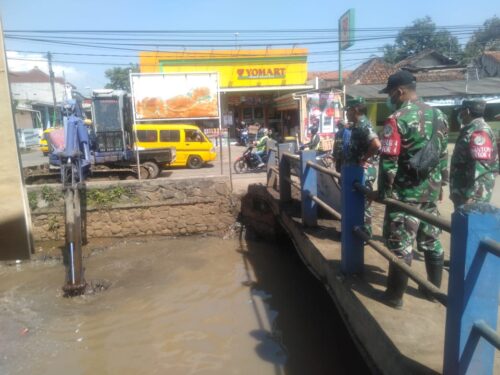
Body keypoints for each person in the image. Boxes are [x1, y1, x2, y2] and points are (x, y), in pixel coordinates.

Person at [377, 70, 449, 308]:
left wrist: (384, 194)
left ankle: (395, 297)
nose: (390, 99)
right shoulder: (440, 115)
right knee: (431, 240)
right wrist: (441, 186)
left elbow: (389, 162)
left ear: (400, 91)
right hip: (430, 192)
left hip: (404, 196)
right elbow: (442, 155)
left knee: (400, 244)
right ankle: (432, 291)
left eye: (390, 94)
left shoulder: (397, 119)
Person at [450, 100, 499, 208]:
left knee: (472, 224)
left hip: (471, 196)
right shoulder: (471, 129)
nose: (460, 115)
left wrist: (473, 196)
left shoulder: (479, 131)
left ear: (467, 111)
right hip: (464, 190)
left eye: (461, 111)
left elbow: (480, 167)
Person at [344, 96, 381, 238]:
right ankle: (359, 231)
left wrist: (364, 159)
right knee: (359, 203)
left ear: (355, 110)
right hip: (356, 171)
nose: (346, 113)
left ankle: (365, 234)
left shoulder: (364, 125)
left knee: (364, 205)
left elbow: (376, 144)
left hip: (363, 171)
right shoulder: (358, 125)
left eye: (348, 110)